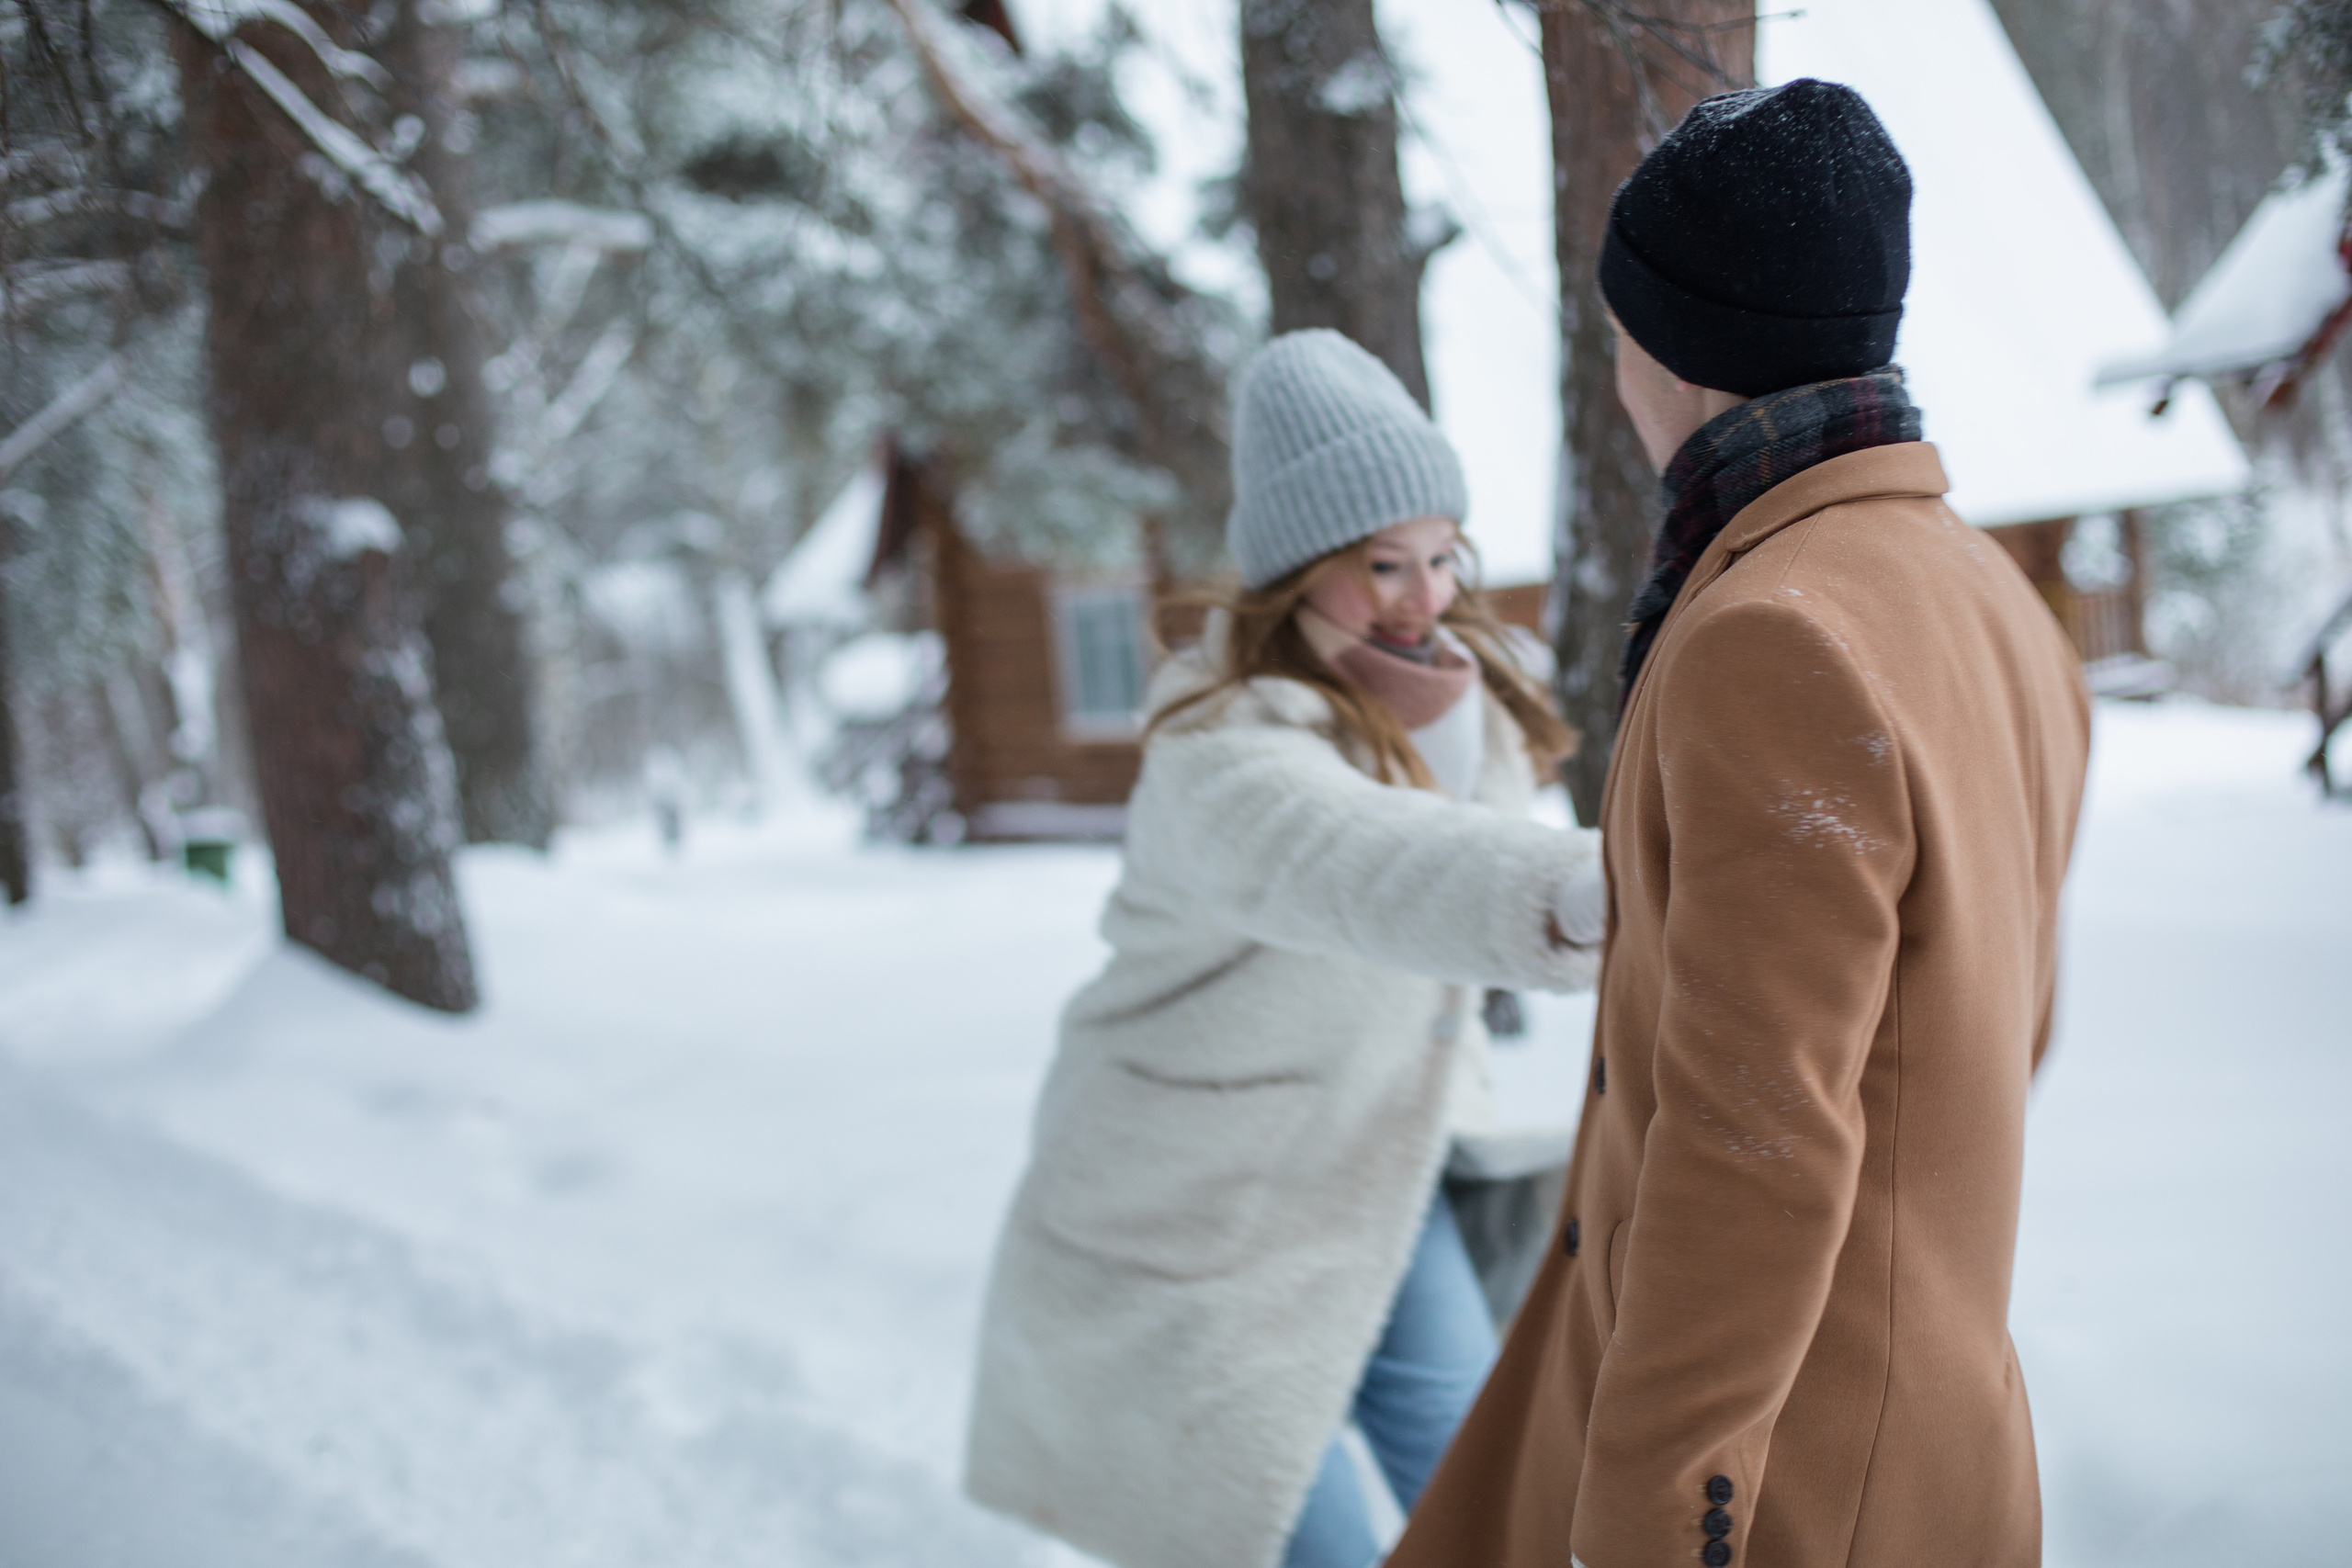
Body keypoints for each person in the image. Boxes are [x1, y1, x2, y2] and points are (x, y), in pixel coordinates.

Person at [1385, 80, 2092, 1568]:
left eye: (1618, 330)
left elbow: (1754, 1138)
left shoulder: (1775, 637)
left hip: (1784, 1480)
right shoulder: (1988, 601)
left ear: (1679, 346)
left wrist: (1658, 1507)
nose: (1613, 369)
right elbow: (2002, 1024)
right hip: (1931, 1426)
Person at [965, 329, 1608, 1568]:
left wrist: (1476, 742)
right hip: (1201, 1219)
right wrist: (1591, 893)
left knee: (1502, 1501)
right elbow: (1362, 859)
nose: (1424, 597)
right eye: (1382, 564)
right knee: (1296, 1544)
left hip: (1377, 1167)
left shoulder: (1444, 699)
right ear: (1299, 568)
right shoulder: (1222, 753)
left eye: (1440, 555)